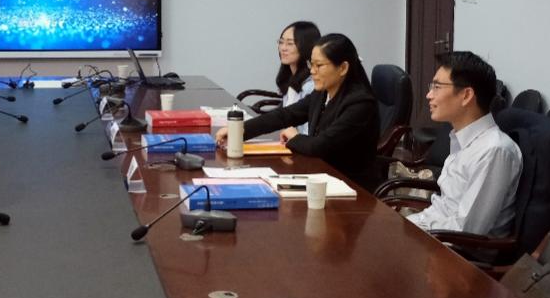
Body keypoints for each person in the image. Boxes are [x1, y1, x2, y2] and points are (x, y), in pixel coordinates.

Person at [217, 33, 380, 188]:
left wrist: (294, 137)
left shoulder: (360, 103)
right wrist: (239, 130)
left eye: (319, 65)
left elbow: (321, 146)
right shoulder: (322, 92)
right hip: (320, 175)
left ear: (343, 68)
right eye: (311, 64)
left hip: (351, 186)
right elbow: (286, 115)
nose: (312, 71)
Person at [407, 52, 522, 236]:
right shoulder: (461, 139)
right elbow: (445, 208)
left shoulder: (493, 151)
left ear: (466, 95)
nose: (429, 95)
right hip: (432, 231)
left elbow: (466, 230)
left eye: (437, 87)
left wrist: (410, 229)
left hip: (453, 248)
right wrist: (407, 224)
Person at [276, 20, 320, 133]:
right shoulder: (290, 78)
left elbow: (308, 133)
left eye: (290, 43)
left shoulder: (311, 85)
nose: (283, 48)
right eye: (281, 42)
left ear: (306, 46)